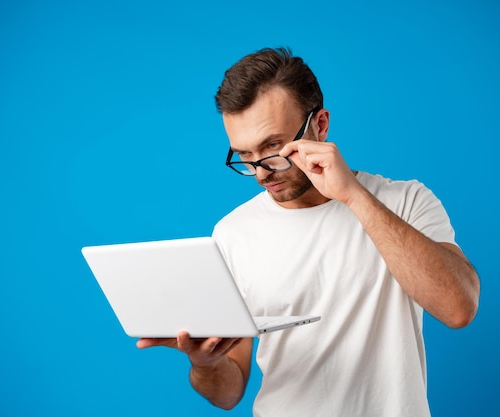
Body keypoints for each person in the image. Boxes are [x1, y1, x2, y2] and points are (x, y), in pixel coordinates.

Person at [137, 47, 480, 416]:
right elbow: (228, 393)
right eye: (245, 156)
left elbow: (458, 308)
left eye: (272, 146)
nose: (261, 171)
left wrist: (353, 196)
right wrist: (205, 364)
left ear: (321, 125)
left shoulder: (406, 201)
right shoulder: (232, 234)